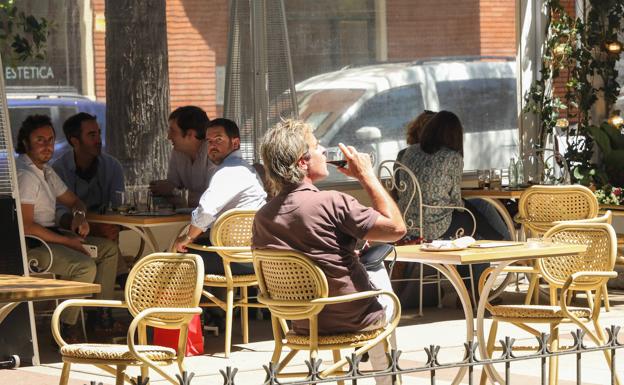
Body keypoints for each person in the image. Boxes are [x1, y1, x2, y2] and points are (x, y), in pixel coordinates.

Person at [252, 119, 406, 385]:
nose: (324, 151)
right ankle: (386, 379)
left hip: (302, 322)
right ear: (302, 162)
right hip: (354, 318)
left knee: (363, 265)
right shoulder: (332, 202)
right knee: (378, 270)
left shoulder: (262, 217)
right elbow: (396, 229)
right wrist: (366, 175)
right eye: (317, 146)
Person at [15, 115, 119, 340]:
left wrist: (79, 217)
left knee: (109, 249)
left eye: (50, 140)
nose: (47, 146)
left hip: (53, 237)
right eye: (40, 140)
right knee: (84, 266)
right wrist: (68, 241)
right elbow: (26, 226)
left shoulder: (46, 170)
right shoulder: (26, 174)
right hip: (33, 246)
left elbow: (74, 202)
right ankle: (65, 326)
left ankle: (100, 317)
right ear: (25, 143)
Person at [173, 118, 266, 275]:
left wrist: (188, 238)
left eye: (218, 140)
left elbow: (207, 211)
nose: (212, 146)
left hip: (234, 259)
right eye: (209, 141)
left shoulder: (229, 171)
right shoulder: (246, 169)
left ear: (235, 143)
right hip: (252, 256)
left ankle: (167, 300)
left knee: (171, 254)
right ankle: (205, 299)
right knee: (199, 245)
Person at [52, 112, 124, 242]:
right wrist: (82, 225)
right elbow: (58, 213)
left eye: (98, 134)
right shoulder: (58, 170)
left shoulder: (112, 166)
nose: (98, 140)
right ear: (75, 141)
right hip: (72, 236)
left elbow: (120, 206)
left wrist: (114, 227)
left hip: (107, 231)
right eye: (92, 135)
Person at [150, 105, 216, 207]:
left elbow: (213, 200)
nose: (168, 136)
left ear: (190, 134)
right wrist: (161, 189)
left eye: (173, 131)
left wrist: (174, 191)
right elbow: (170, 192)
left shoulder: (215, 153)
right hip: (188, 219)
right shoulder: (177, 152)